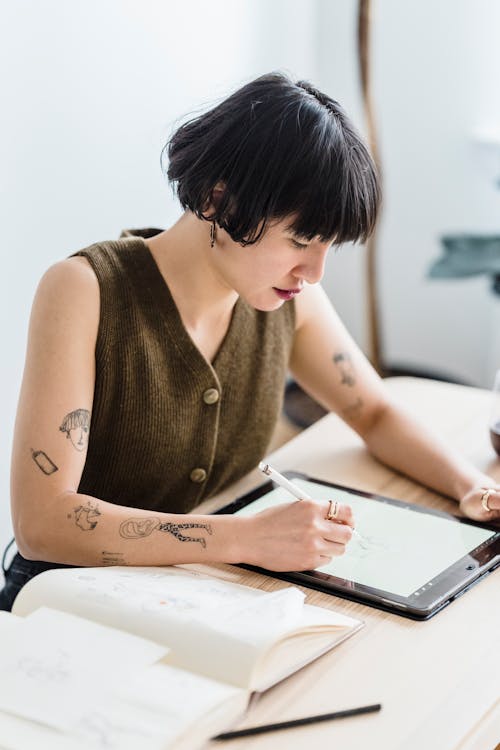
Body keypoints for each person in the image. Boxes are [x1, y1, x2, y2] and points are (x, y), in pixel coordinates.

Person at [1, 72, 499, 612]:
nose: (314, 272)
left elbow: (373, 412)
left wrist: (471, 486)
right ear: (220, 200)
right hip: (66, 602)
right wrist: (246, 538)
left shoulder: (286, 298)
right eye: (301, 241)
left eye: (328, 246)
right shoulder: (85, 289)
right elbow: (41, 524)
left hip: (201, 591)